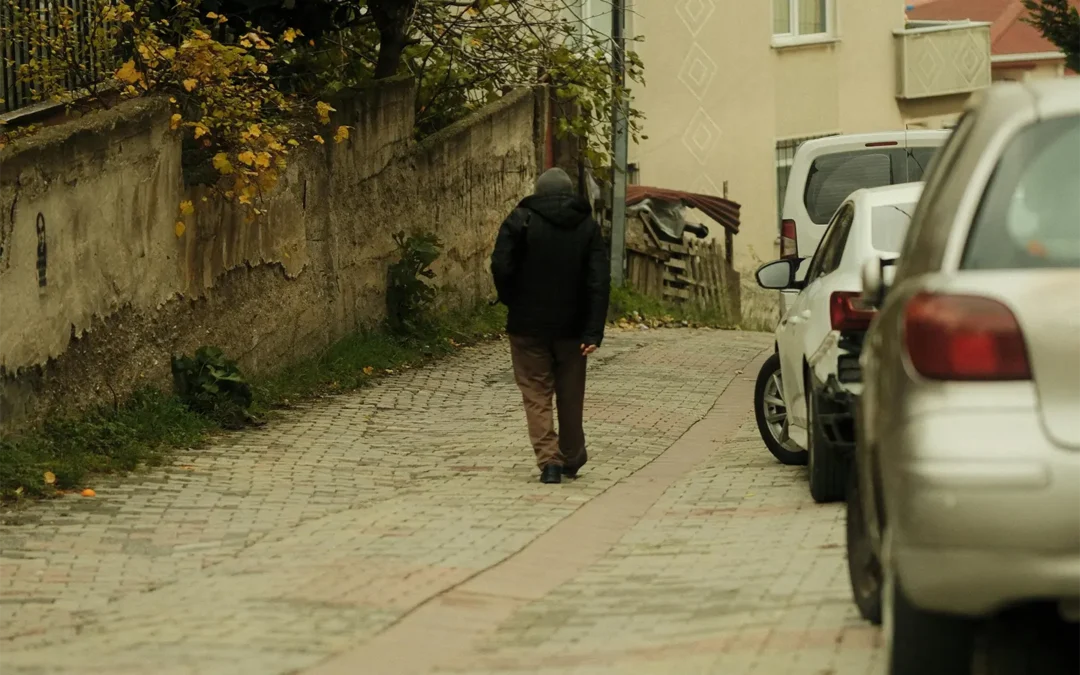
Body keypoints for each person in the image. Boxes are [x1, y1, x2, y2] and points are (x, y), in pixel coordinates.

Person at [491, 167, 610, 484]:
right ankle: (571, 456)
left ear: (538, 192)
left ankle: (550, 462)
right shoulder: (587, 226)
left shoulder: (520, 219)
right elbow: (599, 281)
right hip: (573, 328)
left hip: (527, 325)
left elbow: (500, 264)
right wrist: (593, 330)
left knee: (536, 393)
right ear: (569, 193)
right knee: (571, 394)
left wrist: (510, 297)